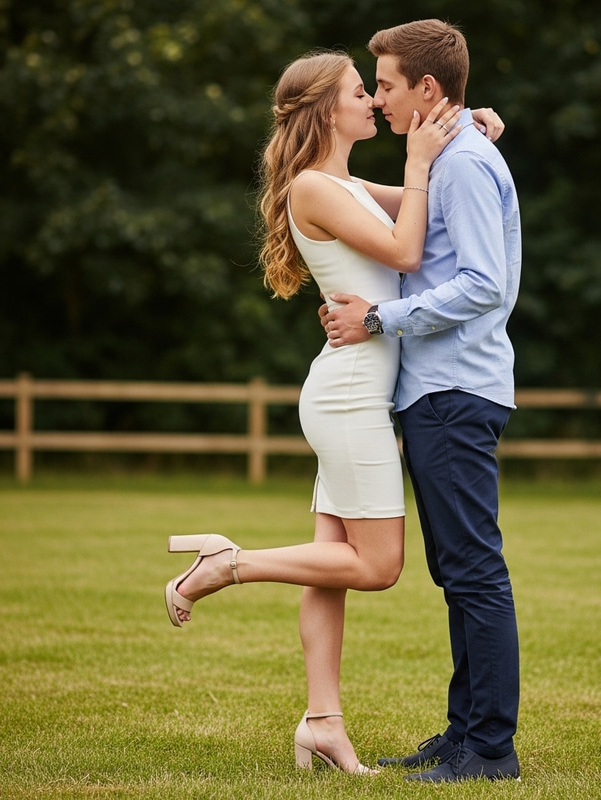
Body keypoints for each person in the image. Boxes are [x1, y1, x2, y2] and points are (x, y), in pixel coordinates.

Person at [163, 49, 504, 777]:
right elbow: (407, 250)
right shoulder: (314, 187)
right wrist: (418, 160)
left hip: (352, 390)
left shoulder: (345, 184)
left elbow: (433, 203)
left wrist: (467, 127)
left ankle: (322, 723)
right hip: (350, 395)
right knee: (377, 566)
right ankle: (228, 564)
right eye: (360, 91)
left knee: (328, 568)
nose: (373, 101)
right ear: (325, 109)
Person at [321, 20, 522, 783]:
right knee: (458, 571)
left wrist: (379, 318)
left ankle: (490, 748)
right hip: (440, 391)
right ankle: (465, 733)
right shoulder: (450, 154)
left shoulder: (463, 162)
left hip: (454, 389)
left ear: (427, 88)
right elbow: (395, 211)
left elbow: (482, 284)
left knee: (473, 571)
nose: (378, 98)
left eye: (387, 85)